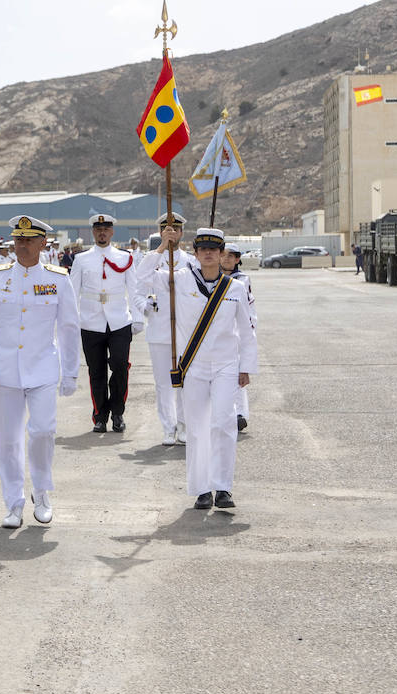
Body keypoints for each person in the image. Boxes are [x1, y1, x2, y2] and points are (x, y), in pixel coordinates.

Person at [0, 215, 79, 529]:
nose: (22, 245)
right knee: (7, 440)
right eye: (18, 239)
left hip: (43, 367)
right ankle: (13, 502)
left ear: (44, 243)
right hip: (4, 370)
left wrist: (70, 372)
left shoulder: (58, 279)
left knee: (43, 431)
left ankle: (42, 491)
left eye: (29, 240)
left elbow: (69, 328)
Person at [146, 228, 257, 510]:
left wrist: (246, 366)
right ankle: (201, 489)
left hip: (226, 365)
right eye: (202, 249)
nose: (208, 253)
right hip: (194, 366)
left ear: (222, 255)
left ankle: (223, 488)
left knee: (223, 424)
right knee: (196, 429)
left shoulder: (235, 288)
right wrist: (162, 247)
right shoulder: (179, 280)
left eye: (214, 249)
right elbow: (141, 278)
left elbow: (247, 330)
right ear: (194, 254)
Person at [69, 214, 141, 432]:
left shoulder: (124, 257)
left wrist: (137, 318)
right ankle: (100, 416)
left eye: (106, 229)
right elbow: (72, 292)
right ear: (93, 232)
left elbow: (134, 289)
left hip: (119, 321)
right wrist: (71, 322)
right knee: (96, 371)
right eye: (98, 229)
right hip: (91, 322)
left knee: (120, 366)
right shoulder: (81, 259)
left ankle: (117, 412)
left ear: (112, 232)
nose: (102, 233)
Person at [132, 212, 195, 446]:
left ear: (181, 232)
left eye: (175, 230)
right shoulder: (152, 259)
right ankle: (168, 428)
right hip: (159, 330)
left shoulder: (191, 260)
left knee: (184, 382)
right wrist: (146, 307)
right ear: (161, 233)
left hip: (185, 332)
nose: (172, 234)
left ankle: (183, 425)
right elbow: (138, 289)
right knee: (163, 384)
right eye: (167, 230)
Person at [222, 242, 255, 433]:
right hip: (219, 332)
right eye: (224, 255)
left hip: (237, 330)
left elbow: (249, 306)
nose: (227, 259)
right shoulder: (209, 277)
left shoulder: (242, 279)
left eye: (231, 256)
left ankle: (240, 414)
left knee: (239, 374)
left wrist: (251, 327)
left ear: (237, 259)